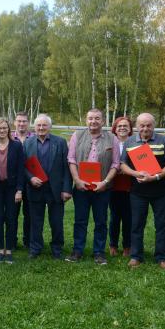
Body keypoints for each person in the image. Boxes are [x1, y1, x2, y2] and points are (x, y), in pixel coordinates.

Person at [120, 113, 165, 269]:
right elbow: (123, 164)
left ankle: (161, 257)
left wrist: (156, 177)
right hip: (137, 191)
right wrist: (135, 173)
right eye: (142, 125)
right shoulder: (130, 141)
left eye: (149, 125)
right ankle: (136, 256)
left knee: (162, 225)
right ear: (136, 126)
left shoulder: (163, 140)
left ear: (154, 125)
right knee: (137, 224)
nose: (145, 128)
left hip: (161, 190)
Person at [65, 109, 118, 264]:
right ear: (86, 120)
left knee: (101, 221)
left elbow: (115, 164)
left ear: (103, 121)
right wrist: (77, 180)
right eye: (90, 118)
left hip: (102, 188)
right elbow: (71, 159)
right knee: (80, 220)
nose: (93, 121)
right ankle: (77, 251)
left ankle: (99, 252)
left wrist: (105, 182)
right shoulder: (77, 135)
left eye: (97, 118)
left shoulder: (112, 138)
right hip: (81, 187)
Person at [25, 114, 72, 259]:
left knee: (56, 222)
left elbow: (66, 167)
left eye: (44, 125)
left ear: (50, 127)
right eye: (38, 125)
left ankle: (57, 248)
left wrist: (66, 189)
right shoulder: (27, 143)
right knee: (35, 221)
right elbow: (23, 165)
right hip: (35, 188)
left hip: (55, 189)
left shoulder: (60, 142)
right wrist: (31, 178)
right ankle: (35, 248)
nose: (41, 128)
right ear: (34, 127)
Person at [0, 118, 26, 263]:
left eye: (4, 128)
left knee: (11, 218)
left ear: (9, 129)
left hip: (12, 188)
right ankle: (0, 250)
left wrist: (19, 190)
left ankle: (8, 250)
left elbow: (21, 169)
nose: (2, 130)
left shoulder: (17, 145)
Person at [108, 116, 133, 257]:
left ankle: (127, 246)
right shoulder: (110, 143)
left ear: (130, 129)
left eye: (125, 126)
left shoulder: (135, 143)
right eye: (119, 126)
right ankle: (113, 244)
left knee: (129, 217)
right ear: (115, 129)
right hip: (113, 185)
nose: (122, 128)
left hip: (130, 186)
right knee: (115, 217)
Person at [12, 111, 34, 250]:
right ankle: (12, 241)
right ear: (15, 122)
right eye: (19, 121)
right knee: (12, 213)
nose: (21, 124)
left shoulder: (35, 138)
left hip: (31, 182)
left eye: (24, 121)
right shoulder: (8, 137)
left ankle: (28, 241)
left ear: (28, 123)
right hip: (14, 183)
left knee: (29, 214)